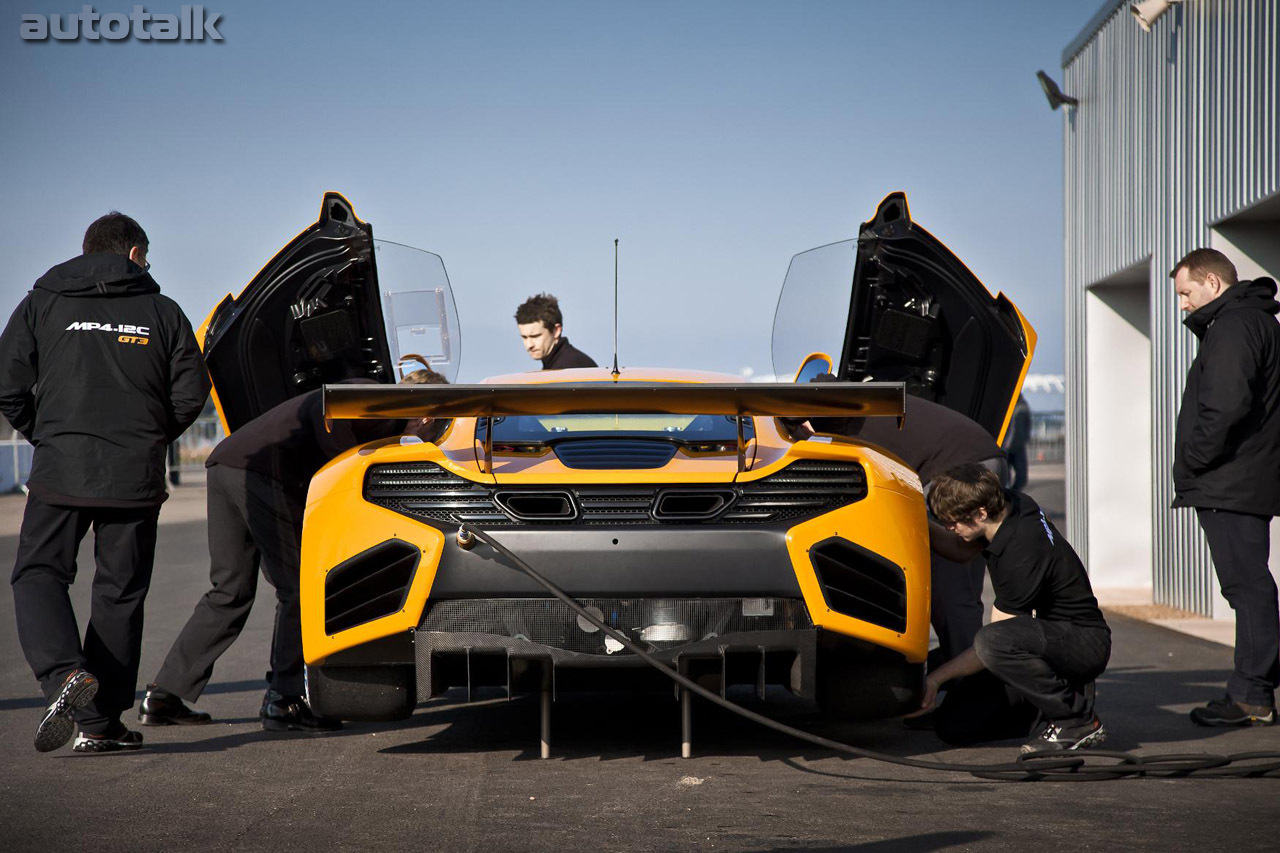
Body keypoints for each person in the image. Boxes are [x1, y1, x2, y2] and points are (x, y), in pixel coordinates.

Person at [0, 212, 210, 753]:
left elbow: (6, 385)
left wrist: (49, 435)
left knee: (39, 574)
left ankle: (64, 675)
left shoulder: (43, 301)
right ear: (134, 254)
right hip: (133, 478)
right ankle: (99, 724)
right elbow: (192, 392)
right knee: (120, 592)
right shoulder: (164, 312)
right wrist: (147, 439)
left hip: (61, 470)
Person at [138, 368, 447, 733]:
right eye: (439, 428)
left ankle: (164, 694)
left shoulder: (377, 407)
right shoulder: (373, 399)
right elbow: (329, 416)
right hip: (261, 474)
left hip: (228, 464)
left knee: (229, 592)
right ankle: (284, 699)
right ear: (428, 416)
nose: (434, 439)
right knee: (300, 587)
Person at [911, 463, 1111, 754]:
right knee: (953, 726)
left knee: (991, 641)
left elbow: (991, 645)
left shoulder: (1020, 555)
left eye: (953, 522)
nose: (950, 528)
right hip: (1046, 637)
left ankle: (1075, 719)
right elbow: (959, 550)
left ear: (980, 513)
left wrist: (936, 678)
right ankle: (1039, 711)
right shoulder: (1011, 504)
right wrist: (917, 521)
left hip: (1082, 643)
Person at [808, 379, 1007, 669]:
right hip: (981, 457)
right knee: (960, 587)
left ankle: (970, 679)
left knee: (948, 589)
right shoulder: (870, 405)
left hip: (955, 470)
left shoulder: (838, 427)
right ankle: (964, 662)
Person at [1170, 248, 1280, 727]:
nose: (1183, 304)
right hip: (1239, 477)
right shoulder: (1249, 321)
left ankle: (1252, 694)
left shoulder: (1235, 326)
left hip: (1230, 480)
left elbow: (1226, 405)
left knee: (1246, 586)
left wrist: (1195, 461)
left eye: (1185, 292)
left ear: (1213, 283)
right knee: (1249, 584)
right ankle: (1254, 689)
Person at [514, 293, 596, 369]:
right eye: (524, 337)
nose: (529, 345)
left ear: (556, 331)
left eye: (535, 336)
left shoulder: (571, 366)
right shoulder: (557, 366)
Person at [1003, 394, 1032, 490]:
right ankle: (1007, 494)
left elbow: (1028, 424)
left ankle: (1014, 494)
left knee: (1022, 477)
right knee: (1004, 477)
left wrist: (1025, 439)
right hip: (1005, 447)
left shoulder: (1023, 405)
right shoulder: (1004, 404)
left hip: (1019, 447)